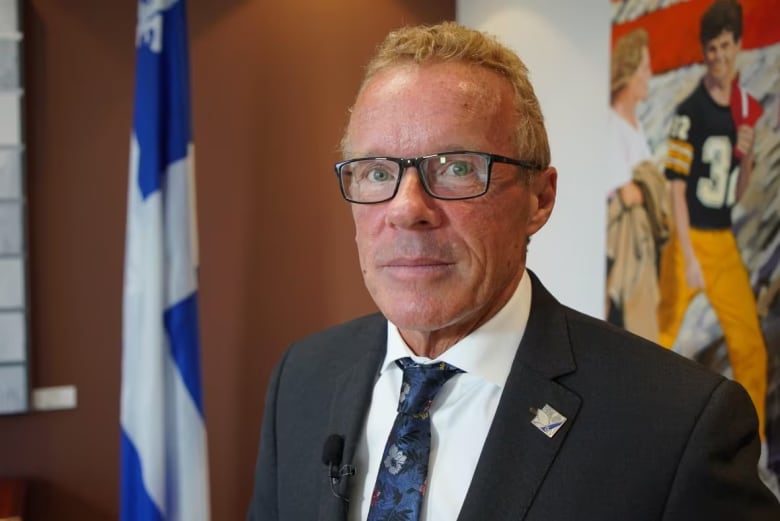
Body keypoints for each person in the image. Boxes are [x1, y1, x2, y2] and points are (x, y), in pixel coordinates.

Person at [247, 21, 780, 520]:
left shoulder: (679, 426)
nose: (407, 208)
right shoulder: (303, 378)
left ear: (539, 199)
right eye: (376, 171)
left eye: (457, 168)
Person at [658, 0, 769, 442]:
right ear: (704, 51)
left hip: (722, 239)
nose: (719, 56)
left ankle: (753, 443)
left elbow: (734, 194)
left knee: (750, 346)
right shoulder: (690, 110)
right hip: (689, 238)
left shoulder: (742, 112)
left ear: (737, 46)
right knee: (658, 339)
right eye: (712, 48)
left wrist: (747, 155)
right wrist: (687, 255)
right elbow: (676, 188)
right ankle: (643, 430)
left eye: (726, 46)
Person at [605, 28, 669, 342]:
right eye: (644, 67)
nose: (649, 74)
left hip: (644, 242)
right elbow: (628, 194)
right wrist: (651, 187)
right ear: (630, 72)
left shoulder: (636, 124)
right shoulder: (611, 124)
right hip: (623, 249)